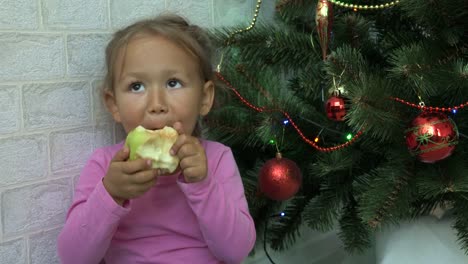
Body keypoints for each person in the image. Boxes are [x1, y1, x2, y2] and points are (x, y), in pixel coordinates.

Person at [57, 13, 256, 264]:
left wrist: (202, 184)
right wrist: (110, 194)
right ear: (113, 104)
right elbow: (73, 257)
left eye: (173, 83)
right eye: (137, 86)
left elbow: (236, 250)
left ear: (205, 98)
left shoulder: (217, 159)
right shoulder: (105, 166)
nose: (157, 104)